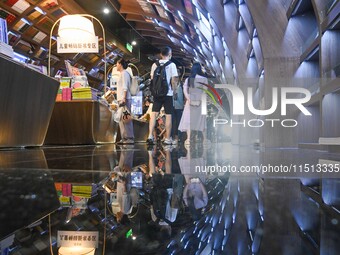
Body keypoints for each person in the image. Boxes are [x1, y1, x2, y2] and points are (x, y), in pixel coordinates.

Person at [146, 46, 178, 145]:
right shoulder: (172, 65)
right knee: (168, 116)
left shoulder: (154, 65)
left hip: (157, 93)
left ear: (161, 54)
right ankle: (167, 139)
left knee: (154, 114)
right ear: (170, 54)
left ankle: (150, 136)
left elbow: (152, 79)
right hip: (168, 94)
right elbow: (174, 80)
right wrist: (175, 92)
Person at [178, 62, 210, 146]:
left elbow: (185, 90)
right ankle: (205, 139)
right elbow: (205, 91)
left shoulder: (188, 79)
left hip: (190, 101)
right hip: (200, 102)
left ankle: (188, 139)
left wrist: (189, 99)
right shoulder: (204, 79)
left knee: (189, 120)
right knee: (201, 120)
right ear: (200, 69)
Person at [116, 58, 134, 144]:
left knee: (126, 118)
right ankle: (124, 138)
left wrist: (124, 98)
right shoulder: (122, 74)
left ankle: (129, 138)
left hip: (125, 99)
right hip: (121, 99)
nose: (116, 66)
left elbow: (125, 86)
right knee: (121, 119)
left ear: (120, 64)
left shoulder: (124, 73)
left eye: (117, 64)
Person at [171, 77, 184, 143]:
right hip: (172, 106)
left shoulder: (181, 84)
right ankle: (173, 137)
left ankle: (179, 138)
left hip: (179, 106)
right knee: (173, 122)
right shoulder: (170, 85)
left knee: (179, 122)